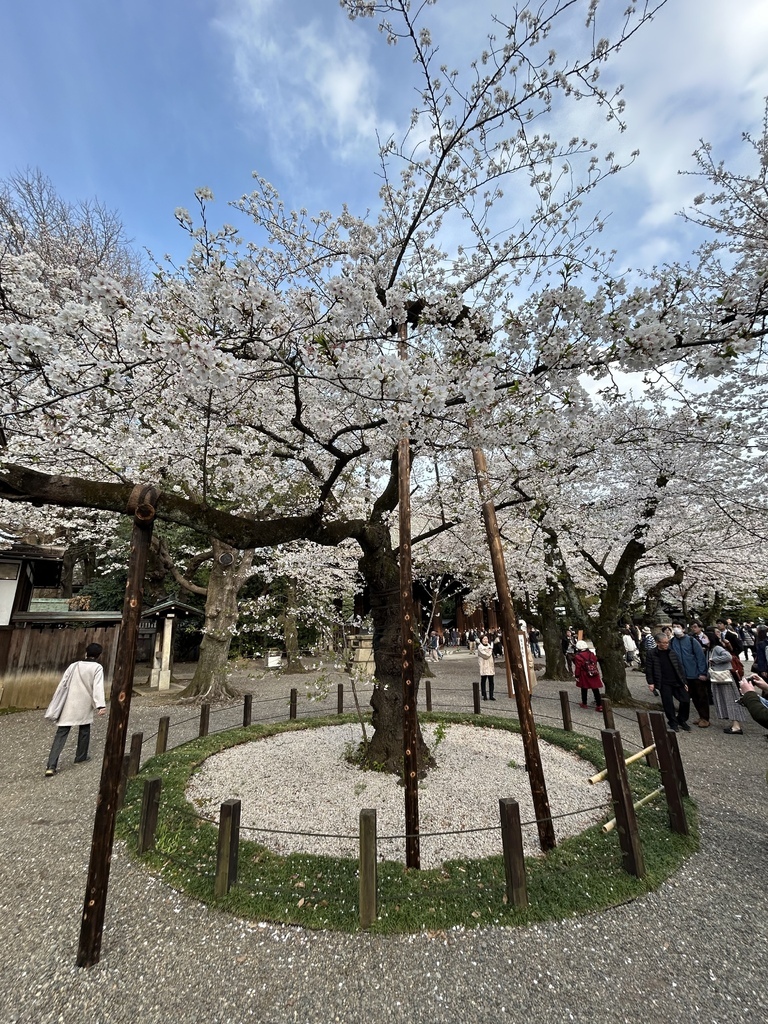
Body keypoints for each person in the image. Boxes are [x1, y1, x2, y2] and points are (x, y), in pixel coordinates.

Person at [44, 643, 106, 776]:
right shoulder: (97, 667)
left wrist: (56, 699)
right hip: (84, 702)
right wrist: (100, 705)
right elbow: (98, 686)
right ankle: (81, 756)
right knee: (84, 729)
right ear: (99, 655)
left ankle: (51, 765)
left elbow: (63, 683)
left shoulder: (74, 665)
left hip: (69, 701)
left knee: (61, 732)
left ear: (86, 653)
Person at [644, 633, 690, 732]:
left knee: (685, 700)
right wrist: (651, 682)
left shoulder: (672, 652)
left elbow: (679, 668)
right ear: (657, 643)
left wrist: (684, 682)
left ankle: (682, 719)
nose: (666, 645)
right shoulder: (651, 654)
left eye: (667, 642)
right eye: (664, 643)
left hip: (676, 680)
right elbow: (649, 669)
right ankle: (672, 722)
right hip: (663, 682)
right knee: (668, 703)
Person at [705, 629, 748, 735]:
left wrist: (713, 660)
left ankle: (736, 726)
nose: (703, 639)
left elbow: (728, 656)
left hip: (724, 677)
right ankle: (734, 724)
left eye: (705, 637)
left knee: (730, 699)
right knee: (726, 699)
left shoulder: (717, 648)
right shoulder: (710, 649)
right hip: (720, 678)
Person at [670, 622, 710, 727]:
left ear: (683, 629)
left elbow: (700, 657)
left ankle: (705, 718)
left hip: (695, 674)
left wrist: (702, 672)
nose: (676, 628)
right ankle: (683, 718)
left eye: (678, 626)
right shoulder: (672, 642)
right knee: (685, 697)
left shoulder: (692, 641)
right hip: (681, 675)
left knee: (700, 696)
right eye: (674, 627)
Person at [573, 640, 603, 711]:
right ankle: (599, 705)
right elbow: (595, 661)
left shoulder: (578, 656)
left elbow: (578, 667)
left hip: (584, 673)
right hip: (593, 672)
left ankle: (584, 703)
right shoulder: (591, 654)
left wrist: (577, 676)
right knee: (595, 689)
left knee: (584, 688)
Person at [476, 634, 496, 701]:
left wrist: (489, 650)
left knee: (491, 681)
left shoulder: (489, 646)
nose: (485, 640)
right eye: (484, 639)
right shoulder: (480, 647)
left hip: (490, 666)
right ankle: (484, 695)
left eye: (486, 639)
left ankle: (491, 695)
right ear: (481, 640)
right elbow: (486, 655)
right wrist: (489, 651)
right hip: (483, 666)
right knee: (483, 680)